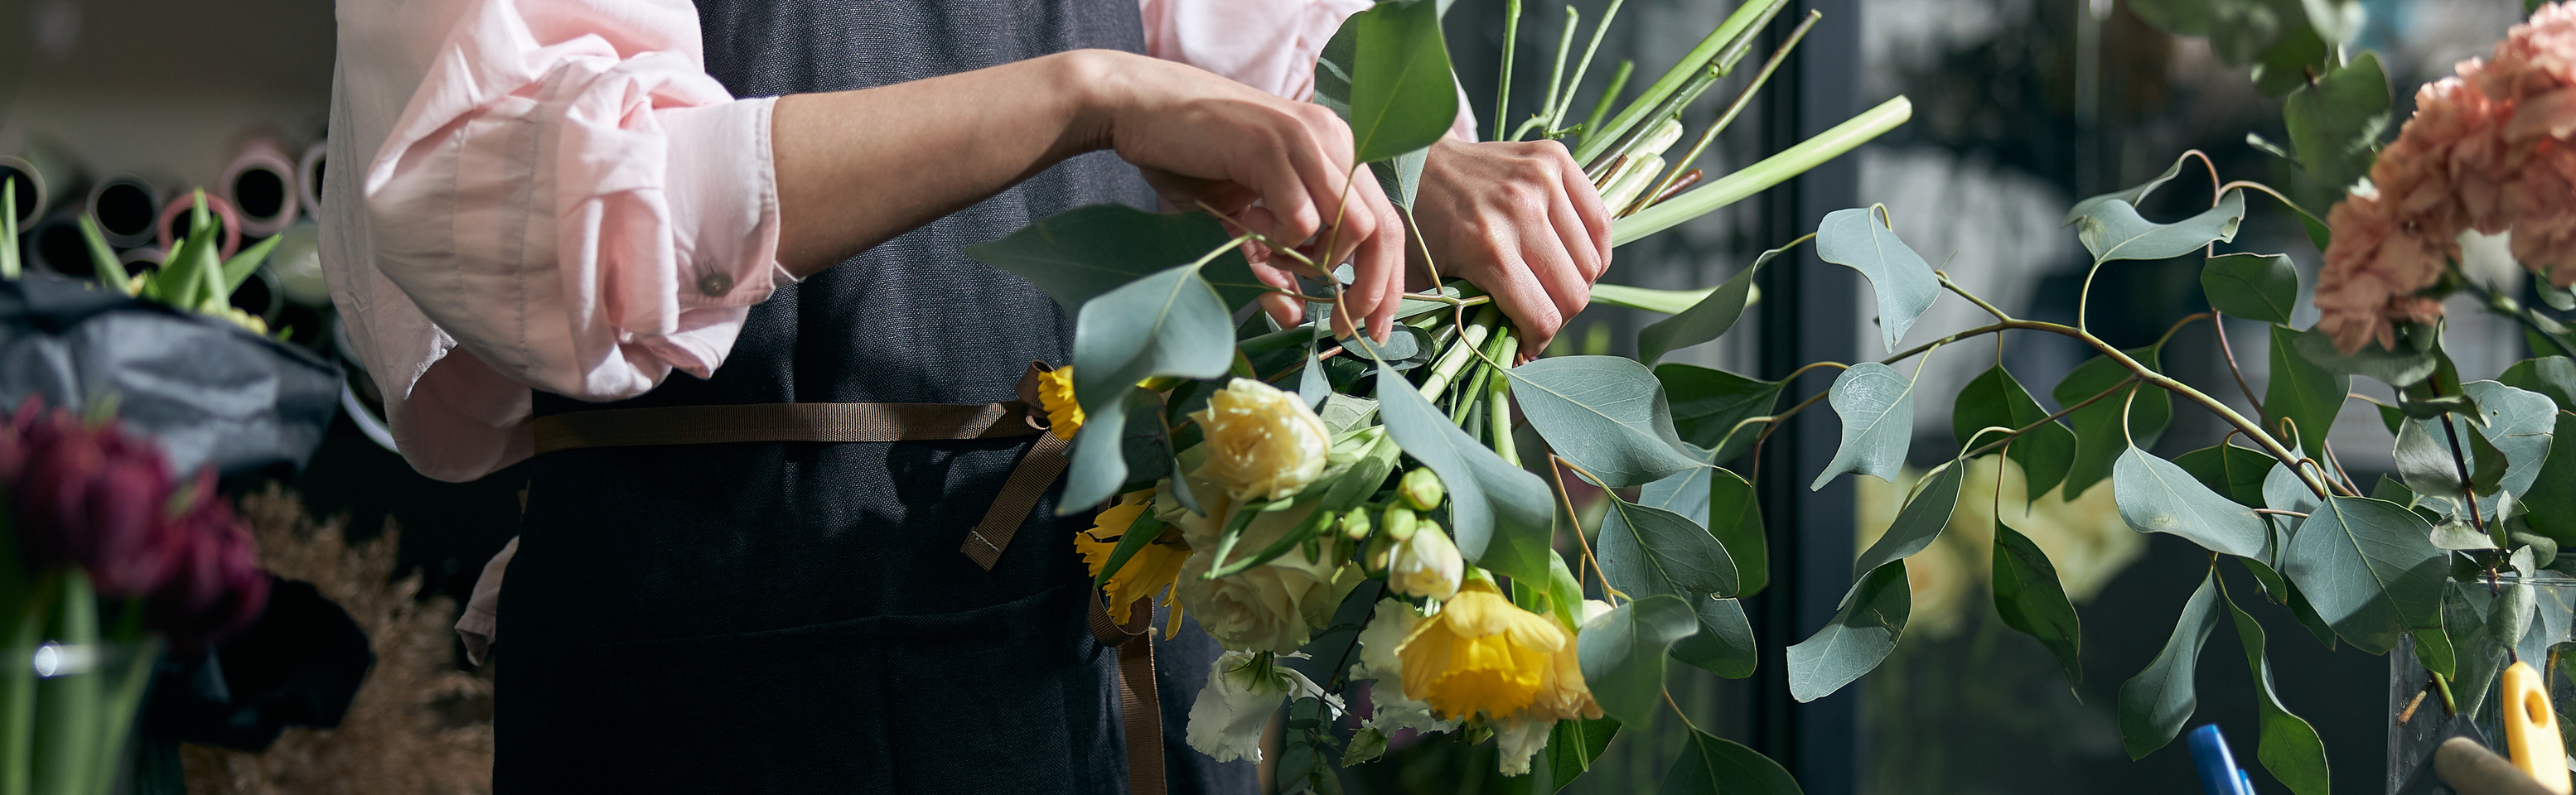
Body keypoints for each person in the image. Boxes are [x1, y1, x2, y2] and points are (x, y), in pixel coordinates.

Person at [320, 0, 1612, 790]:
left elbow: (1245, 45)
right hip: (747, 663)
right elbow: (530, 201)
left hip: (1103, 653)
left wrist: (1395, 161)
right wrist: (1084, 98)